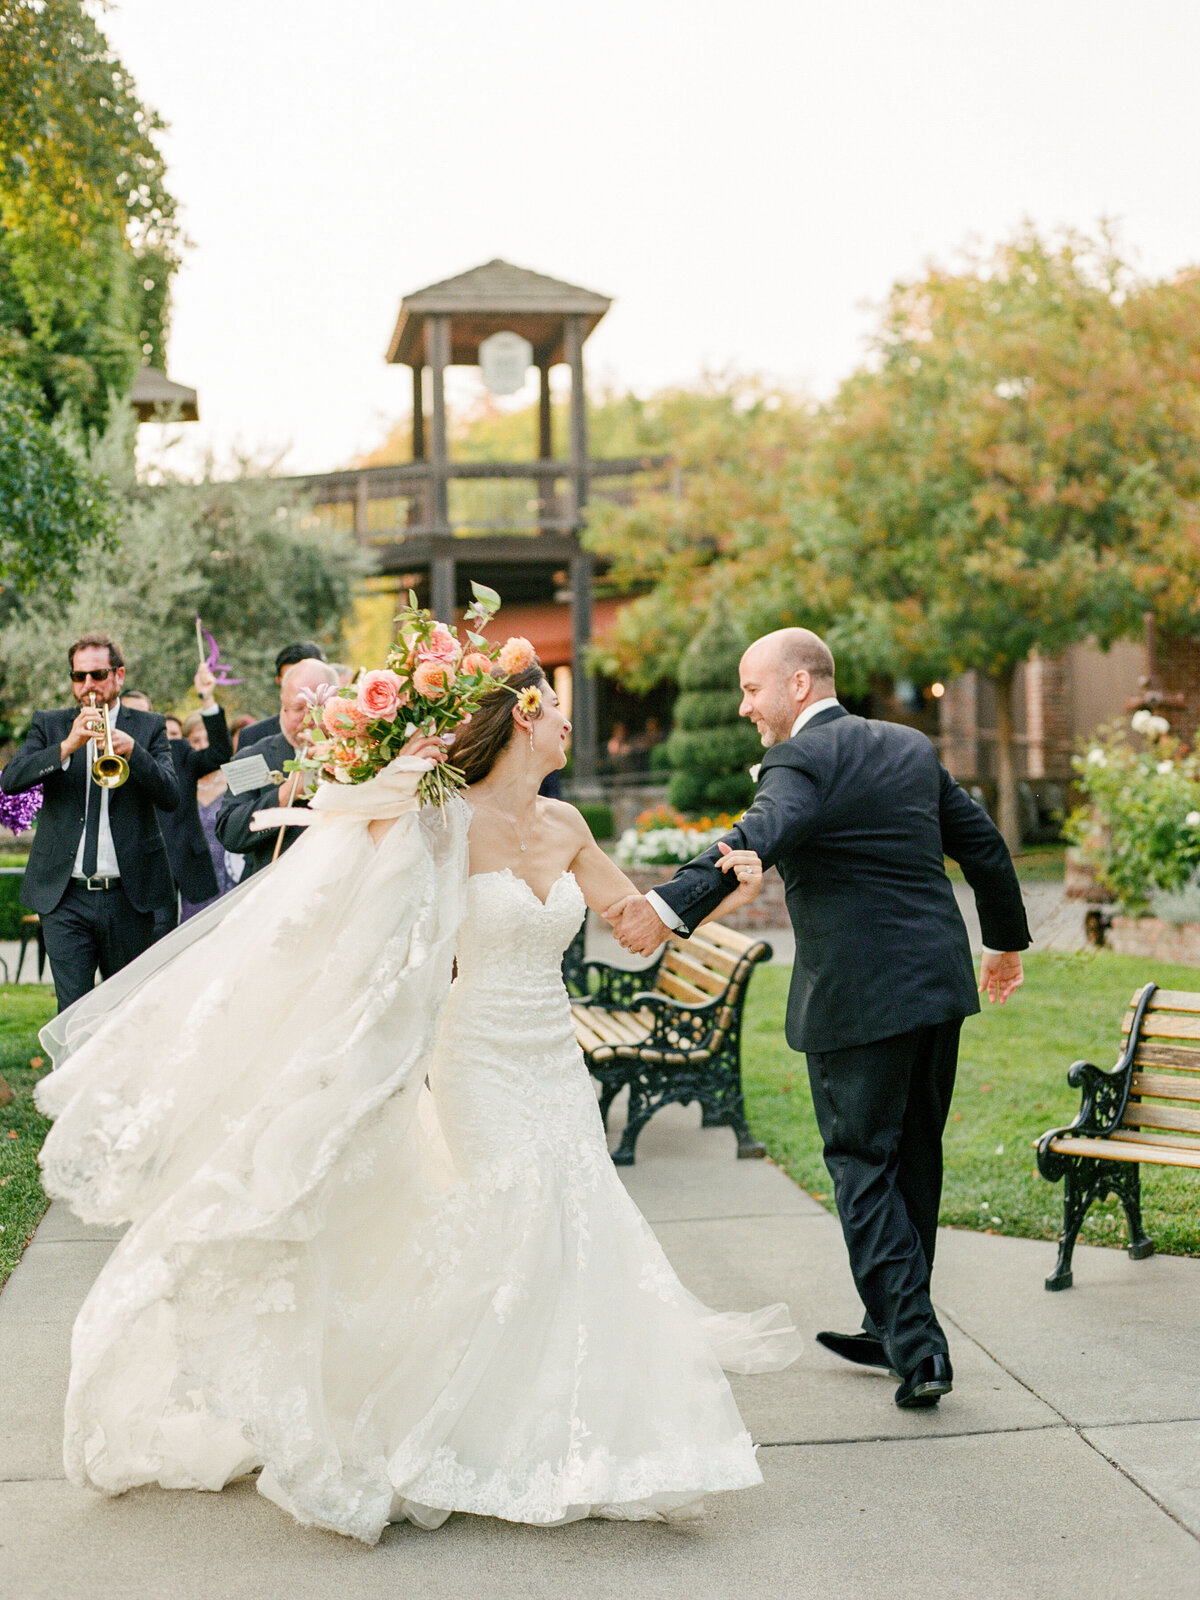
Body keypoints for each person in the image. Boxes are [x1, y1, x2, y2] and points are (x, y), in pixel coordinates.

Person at [33, 654, 797, 1542]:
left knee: (577, 1214)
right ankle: (446, 1417)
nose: (567, 724)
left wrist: (710, 890)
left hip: (554, 1056)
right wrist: (395, 767)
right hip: (476, 1054)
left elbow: (632, 927)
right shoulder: (441, 815)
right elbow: (339, 838)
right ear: (522, 720)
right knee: (513, 1208)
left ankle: (571, 1419)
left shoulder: (567, 823)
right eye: (556, 710)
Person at [607, 627, 1030, 1411]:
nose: (744, 707)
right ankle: (886, 1320)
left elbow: (758, 833)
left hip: (858, 1001)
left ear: (799, 685)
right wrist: (1002, 943)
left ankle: (919, 1349)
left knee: (862, 1164)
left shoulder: (799, 759)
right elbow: (986, 848)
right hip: (936, 989)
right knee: (911, 1163)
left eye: (751, 688)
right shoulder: (906, 747)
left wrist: (666, 907)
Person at [0, 633, 179, 1012]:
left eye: (97, 675)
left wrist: (136, 753)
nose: (87, 686)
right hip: (66, 896)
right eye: (78, 677)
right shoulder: (50, 725)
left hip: (129, 896)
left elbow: (170, 796)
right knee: (73, 1012)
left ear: (118, 675)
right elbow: (11, 779)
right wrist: (66, 746)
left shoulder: (149, 727)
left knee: (129, 1011)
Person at [215, 658, 338, 876]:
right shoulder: (253, 757)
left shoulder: (357, 754)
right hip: (274, 888)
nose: (308, 719)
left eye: (317, 708)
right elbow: (230, 833)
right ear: (283, 703)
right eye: (297, 708)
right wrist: (286, 793)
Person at [237, 640, 328, 749]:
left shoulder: (345, 732)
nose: (300, 689)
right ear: (279, 681)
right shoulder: (252, 736)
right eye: (291, 679)